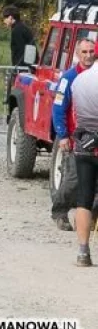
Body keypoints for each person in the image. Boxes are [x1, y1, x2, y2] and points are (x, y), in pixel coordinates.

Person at [51, 38, 96, 231]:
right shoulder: (69, 77)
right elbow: (58, 108)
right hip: (74, 137)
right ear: (77, 54)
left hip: (93, 135)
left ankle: (88, 219)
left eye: (91, 52)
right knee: (72, 179)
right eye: (84, 52)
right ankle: (59, 212)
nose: (88, 56)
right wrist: (62, 135)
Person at [68, 64, 98, 266]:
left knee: (84, 198)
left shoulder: (79, 80)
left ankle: (83, 252)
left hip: (84, 143)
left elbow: (74, 111)